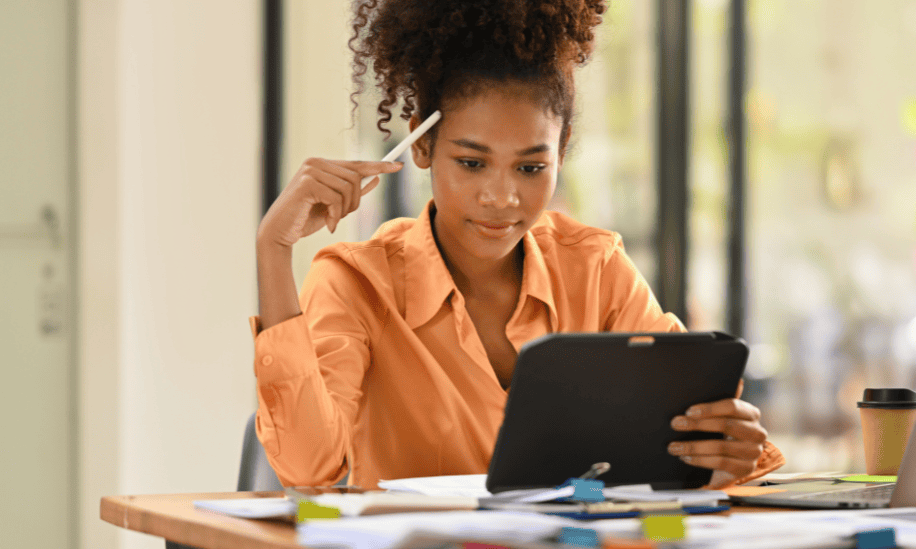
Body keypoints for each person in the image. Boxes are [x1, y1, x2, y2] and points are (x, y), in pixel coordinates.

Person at [253, 0, 783, 502]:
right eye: (471, 163)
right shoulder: (356, 283)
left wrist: (727, 450)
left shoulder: (596, 271)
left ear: (562, 148)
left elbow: (700, 444)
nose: (502, 198)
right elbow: (306, 471)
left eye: (531, 168)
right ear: (420, 144)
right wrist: (274, 251)